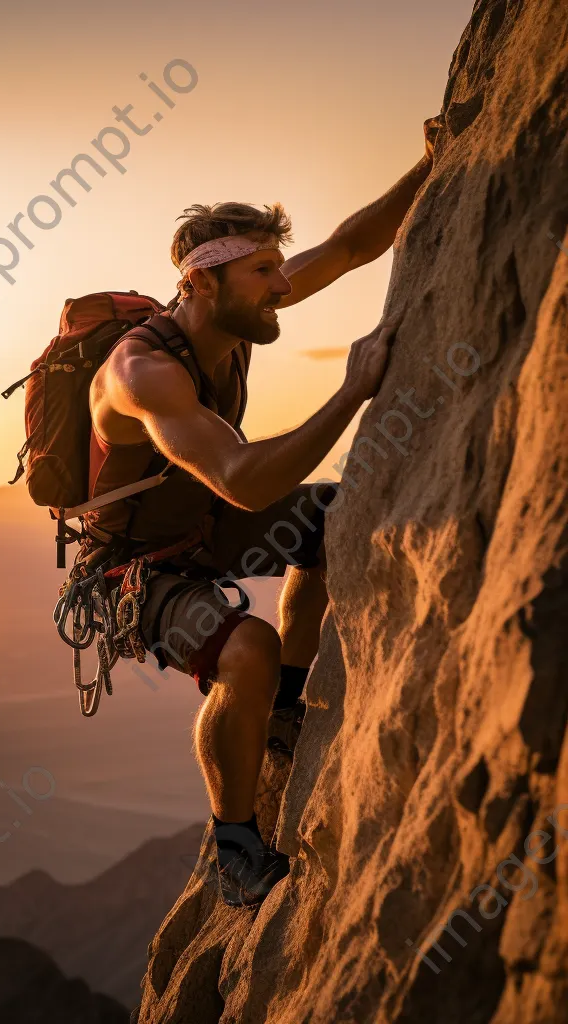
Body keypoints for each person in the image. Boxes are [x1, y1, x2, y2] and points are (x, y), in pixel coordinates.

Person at [81, 117, 441, 907]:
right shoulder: (143, 374)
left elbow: (347, 248)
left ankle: (284, 698)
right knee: (244, 647)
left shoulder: (238, 318)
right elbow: (243, 481)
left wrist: (428, 166)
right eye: (266, 271)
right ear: (203, 282)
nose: (284, 285)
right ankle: (234, 841)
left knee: (339, 515)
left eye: (280, 267)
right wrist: (353, 390)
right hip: (136, 571)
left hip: (208, 525)